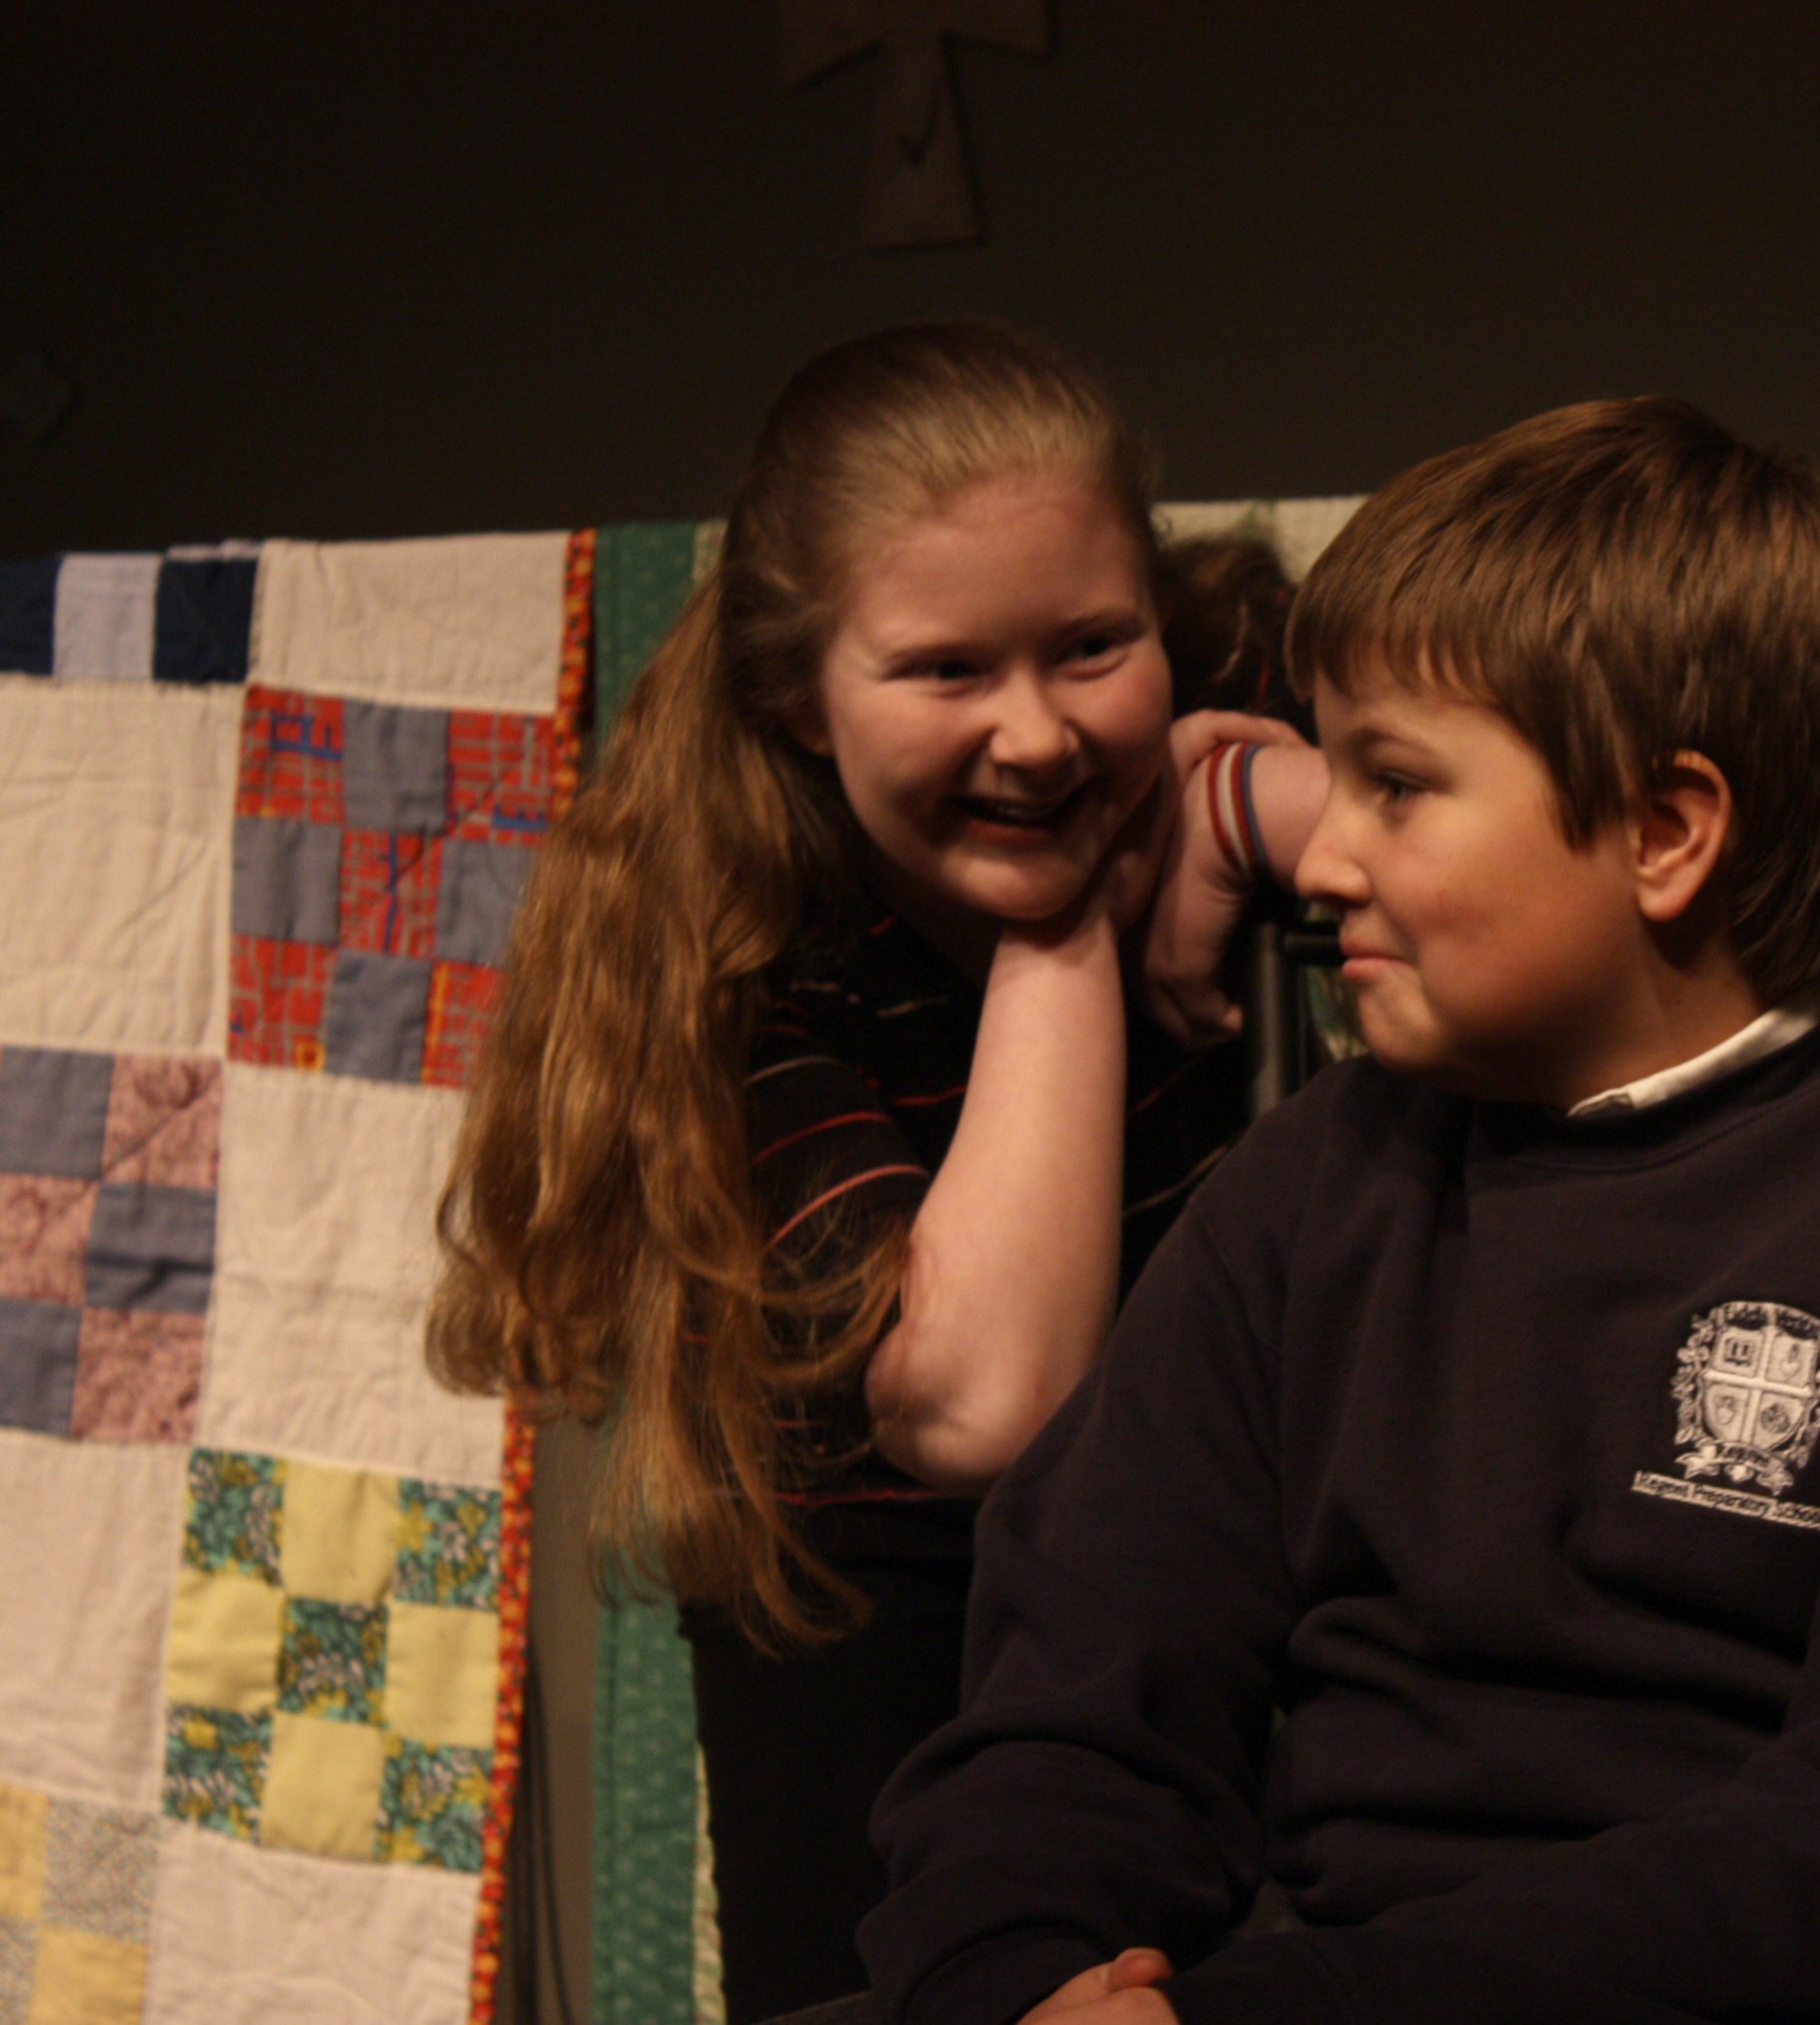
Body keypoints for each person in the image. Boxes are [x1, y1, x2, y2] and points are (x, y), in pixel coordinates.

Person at [862, 398, 1820, 2024]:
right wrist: (1016, 1978)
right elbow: (1080, 1699)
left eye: (1394, 785)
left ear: (1662, 832)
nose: (1321, 860)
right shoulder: (1308, 1189)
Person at [425, 324, 1329, 2020]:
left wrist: (1253, 791)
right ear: (798, 697)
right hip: (883, 1611)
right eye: (943, 670)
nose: (1036, 735)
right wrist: (1062, 933)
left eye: (1092, 646)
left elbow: (1485, 857)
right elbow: (989, 1405)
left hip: (1221, 1564)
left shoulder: (1244, 675)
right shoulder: (736, 958)